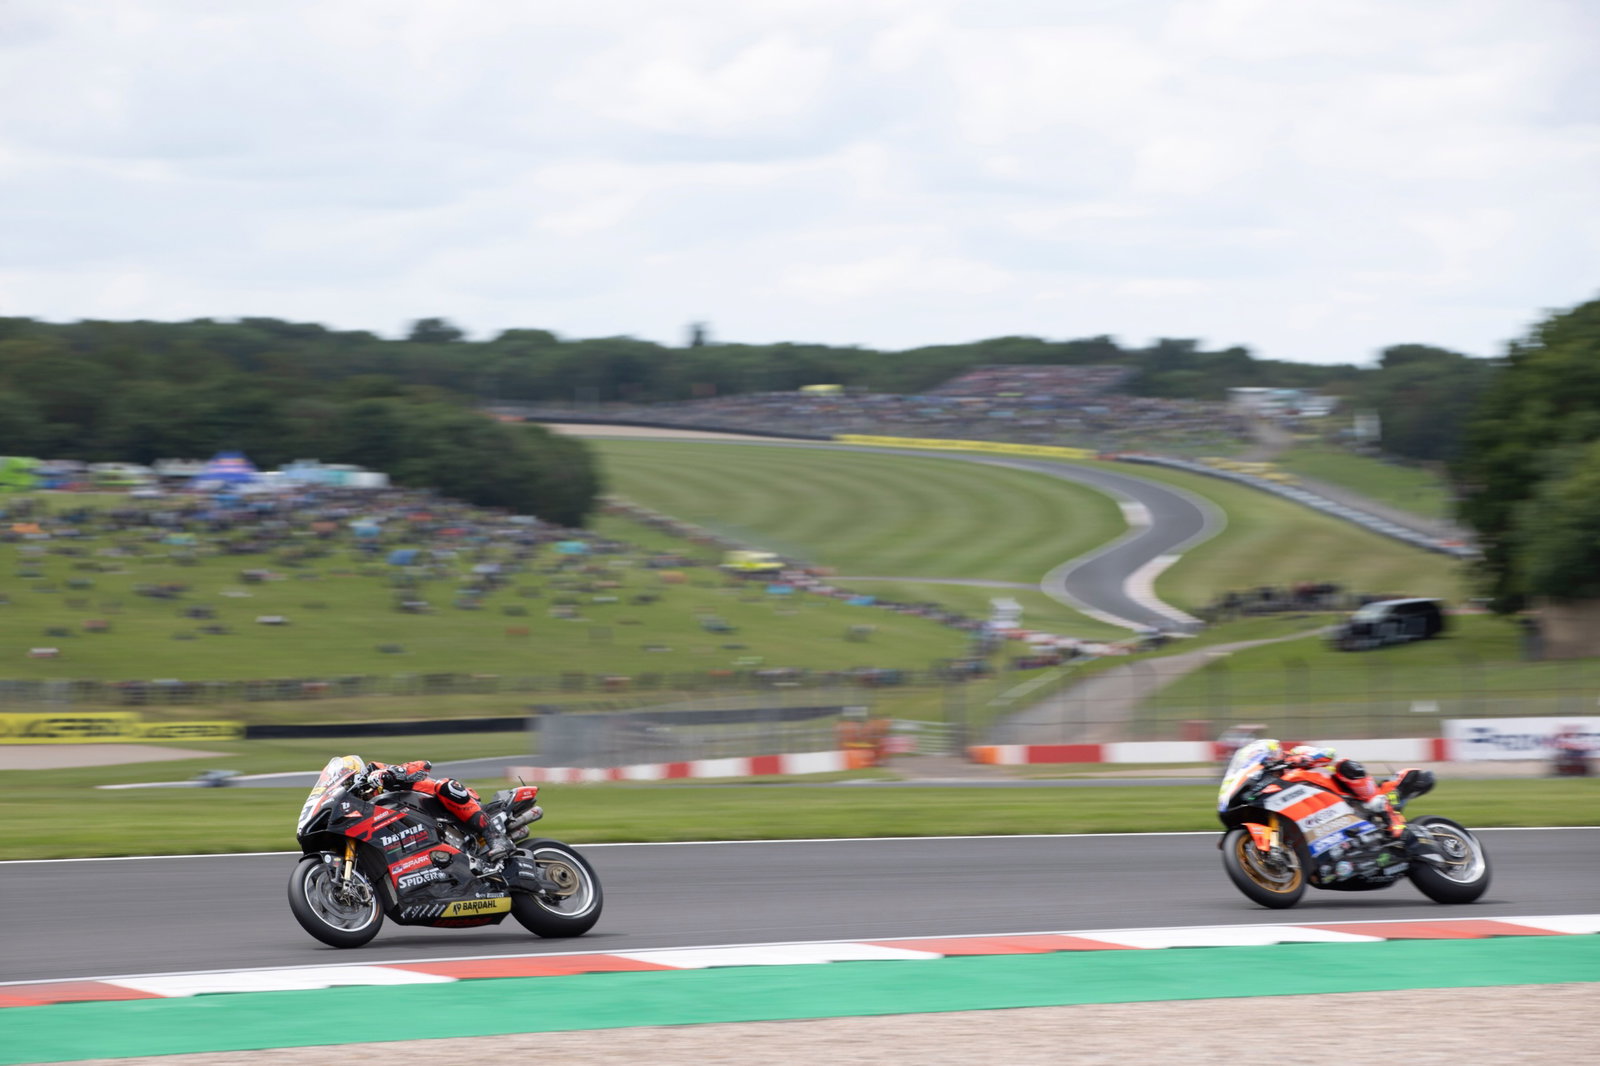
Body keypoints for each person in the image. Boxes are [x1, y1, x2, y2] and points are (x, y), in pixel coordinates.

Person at [357, 759, 514, 860]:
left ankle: (495, 836)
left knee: (446, 786)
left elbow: (424, 765)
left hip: (446, 805)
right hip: (424, 835)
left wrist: (393, 773)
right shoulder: (364, 809)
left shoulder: (379, 772)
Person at [1274, 744, 1402, 836]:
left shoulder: (1294, 753)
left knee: (1345, 765)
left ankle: (1389, 814)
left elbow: (1329, 753)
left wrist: (1302, 759)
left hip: (1338, 789)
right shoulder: (1272, 785)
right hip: (1319, 816)